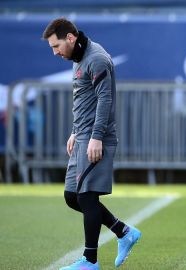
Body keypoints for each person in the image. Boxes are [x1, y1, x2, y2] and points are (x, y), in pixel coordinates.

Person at [42, 18, 141, 270]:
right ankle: (124, 232)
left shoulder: (96, 58)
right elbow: (85, 98)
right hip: (83, 135)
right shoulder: (79, 58)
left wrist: (96, 136)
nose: (55, 52)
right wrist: (76, 131)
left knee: (86, 197)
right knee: (71, 197)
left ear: (71, 38)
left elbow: (104, 99)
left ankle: (90, 261)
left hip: (97, 137)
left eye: (56, 46)